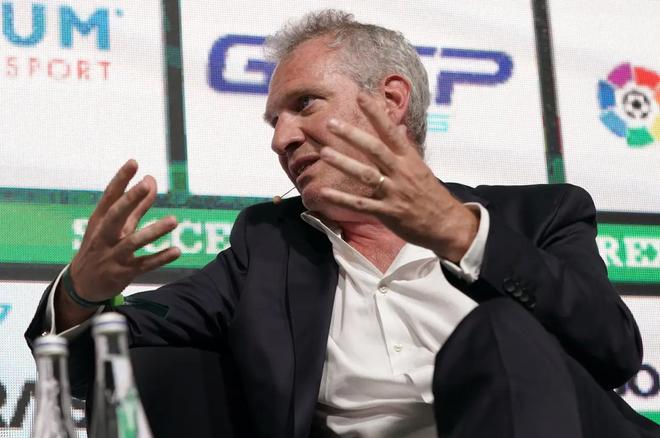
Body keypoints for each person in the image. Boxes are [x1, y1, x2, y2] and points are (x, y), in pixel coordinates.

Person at [25, 9, 659, 438]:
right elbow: (94, 363)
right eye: (274, 121)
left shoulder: (541, 214)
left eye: (304, 105)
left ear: (390, 100)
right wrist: (83, 290)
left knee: (497, 332)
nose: (282, 138)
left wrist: (463, 235)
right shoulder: (268, 248)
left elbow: (614, 351)